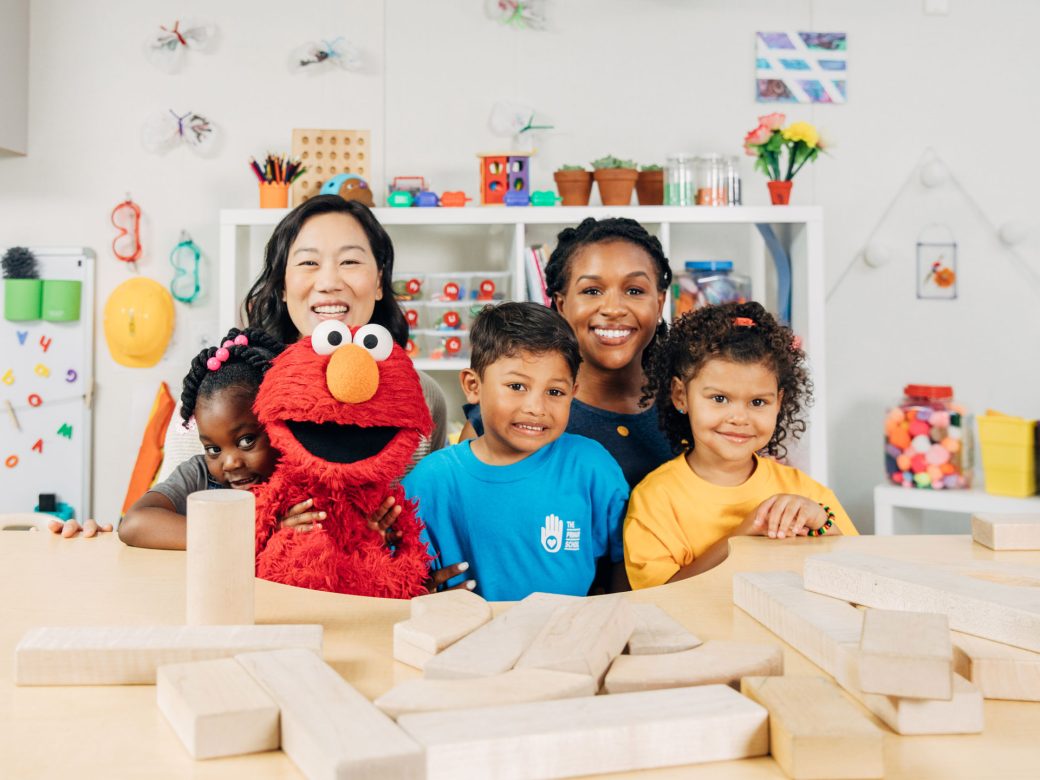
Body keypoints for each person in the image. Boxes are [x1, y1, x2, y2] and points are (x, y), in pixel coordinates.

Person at [404, 302, 630, 601]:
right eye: (516, 386)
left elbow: (622, 564)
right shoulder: (430, 482)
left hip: (567, 640)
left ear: (573, 393)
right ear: (473, 386)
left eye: (554, 392)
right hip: (464, 641)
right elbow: (402, 581)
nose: (536, 408)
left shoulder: (592, 468)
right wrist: (419, 595)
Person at [624, 301, 858, 588]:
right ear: (681, 395)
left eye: (758, 402)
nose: (739, 418)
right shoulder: (656, 499)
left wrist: (821, 522)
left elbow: (858, 573)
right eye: (719, 399)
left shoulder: (804, 491)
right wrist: (740, 539)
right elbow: (658, 598)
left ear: (779, 402)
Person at [461, 217, 673, 491]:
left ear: (659, 303)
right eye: (592, 290)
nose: (613, 308)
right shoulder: (503, 418)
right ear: (561, 304)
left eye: (634, 290)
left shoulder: (693, 404)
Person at [117, 328, 285, 550]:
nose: (230, 462)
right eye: (214, 449)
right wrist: (248, 533)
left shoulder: (300, 475)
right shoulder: (200, 475)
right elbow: (134, 523)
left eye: (246, 441)